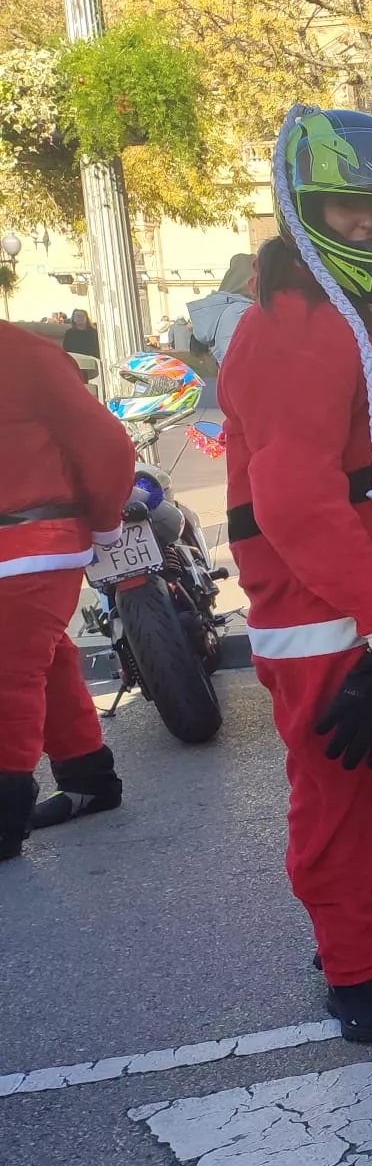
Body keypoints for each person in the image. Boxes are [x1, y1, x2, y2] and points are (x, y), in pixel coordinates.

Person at [219, 108, 372, 1043]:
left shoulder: (361, 315)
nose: (366, 228)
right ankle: (351, 961)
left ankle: (364, 933)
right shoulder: (291, 322)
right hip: (340, 618)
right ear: (300, 206)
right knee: (343, 795)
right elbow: (292, 498)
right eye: (342, 209)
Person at [0, 322, 136, 862]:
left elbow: (105, 446)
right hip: (30, 543)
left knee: (9, 676)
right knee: (42, 659)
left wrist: (104, 524)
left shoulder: (23, 354)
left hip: (27, 545)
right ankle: (88, 778)